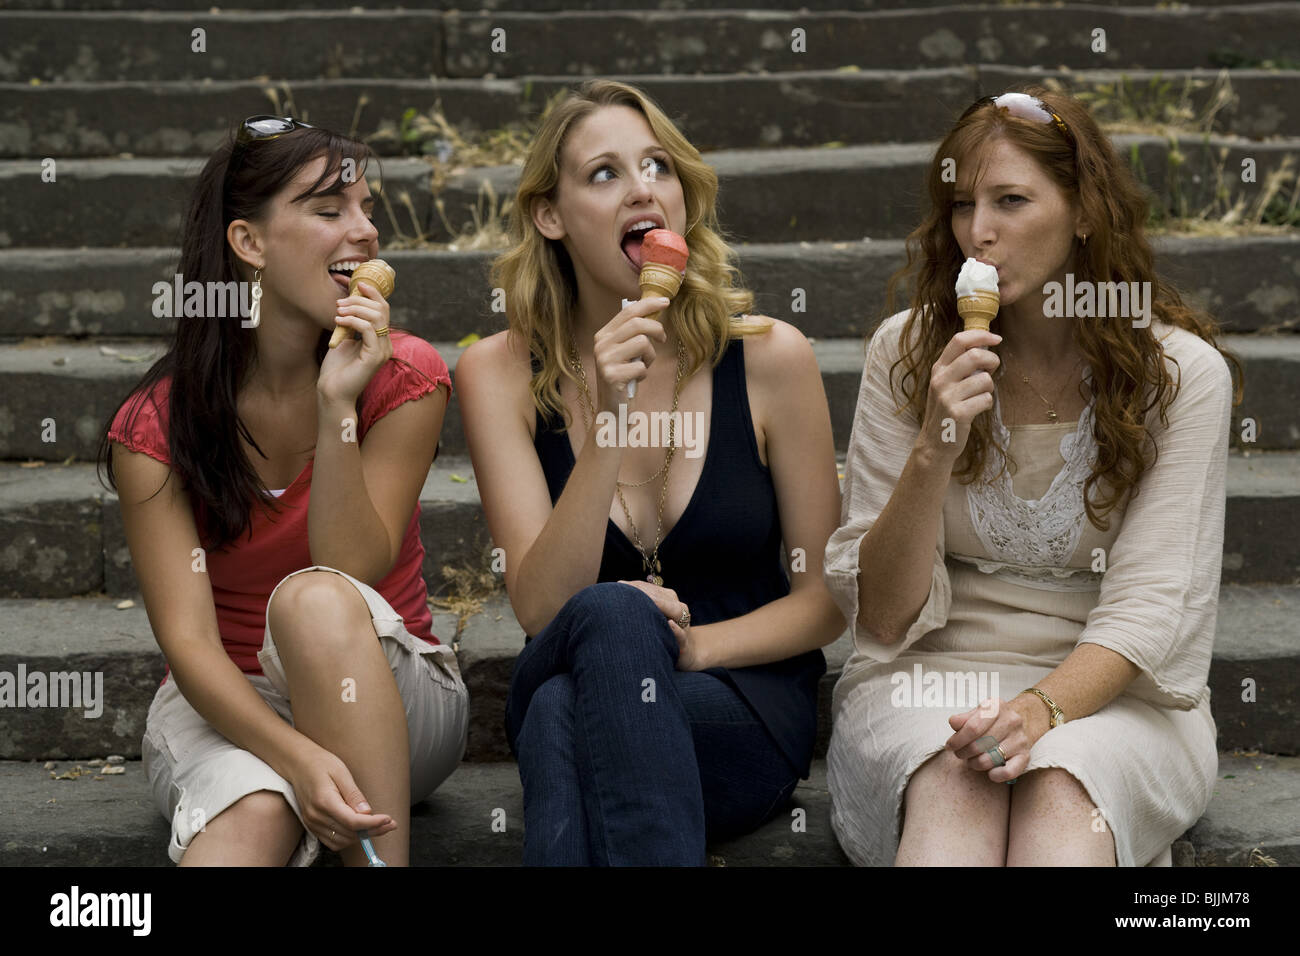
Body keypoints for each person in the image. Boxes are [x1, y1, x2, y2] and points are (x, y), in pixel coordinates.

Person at [824, 87, 1243, 867]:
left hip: (1114, 693)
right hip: (927, 679)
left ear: (1084, 210)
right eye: (961, 205)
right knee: (956, 787)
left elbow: (1154, 605)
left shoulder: (1182, 377)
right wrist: (934, 447)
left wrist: (1040, 709)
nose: (977, 234)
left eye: (1011, 200)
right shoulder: (906, 353)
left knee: (1060, 804)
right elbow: (880, 616)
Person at [456, 79, 846, 865]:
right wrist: (608, 417)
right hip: (580, 667)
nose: (643, 188)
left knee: (564, 709)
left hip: (740, 703)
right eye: (605, 174)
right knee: (609, 616)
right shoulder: (495, 374)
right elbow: (540, 604)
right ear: (550, 215)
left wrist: (689, 649)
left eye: (658, 167)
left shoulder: (771, 357)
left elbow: (827, 602)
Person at [97, 117, 468, 866]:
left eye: (366, 209)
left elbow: (349, 566)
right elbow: (192, 646)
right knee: (254, 816)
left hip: (393, 687)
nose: (363, 232)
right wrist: (296, 760)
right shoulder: (154, 427)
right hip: (232, 708)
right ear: (249, 243)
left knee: (313, 597)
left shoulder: (405, 377)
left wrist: (338, 408)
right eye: (329, 211)